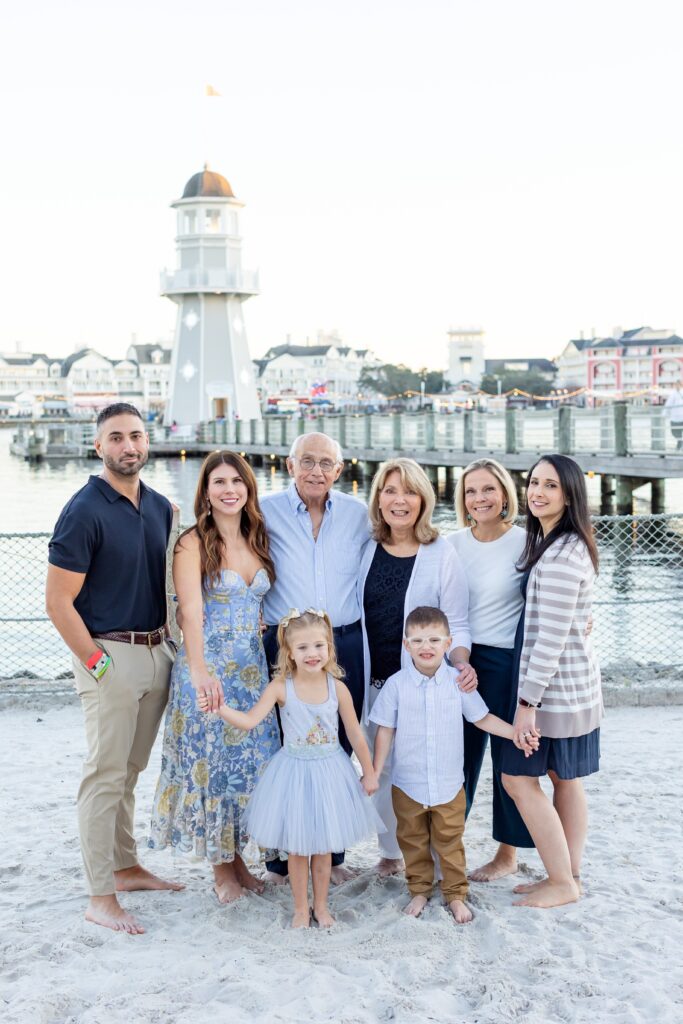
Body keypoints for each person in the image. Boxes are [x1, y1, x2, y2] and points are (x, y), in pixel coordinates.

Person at [46, 402, 182, 935]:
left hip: (156, 652)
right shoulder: (83, 510)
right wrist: (98, 664)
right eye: (117, 438)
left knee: (129, 771)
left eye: (137, 436)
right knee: (104, 776)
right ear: (98, 445)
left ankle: (125, 867)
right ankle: (100, 895)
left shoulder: (159, 506)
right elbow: (58, 602)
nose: (129, 446)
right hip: (108, 655)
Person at [148, 452, 281, 903]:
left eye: (237, 482)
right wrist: (202, 675)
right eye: (219, 482)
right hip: (207, 668)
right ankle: (222, 870)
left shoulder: (257, 537)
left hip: (253, 670)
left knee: (250, 767)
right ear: (206, 491)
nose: (229, 490)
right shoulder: (191, 543)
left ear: (248, 488)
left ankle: (240, 862)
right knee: (213, 768)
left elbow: (259, 605)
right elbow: (190, 612)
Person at [198, 609, 382, 928]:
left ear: (329, 647)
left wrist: (369, 771)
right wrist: (221, 708)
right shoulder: (281, 687)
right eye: (303, 648)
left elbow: (355, 732)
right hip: (294, 773)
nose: (312, 654)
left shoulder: (337, 687)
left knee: (323, 848)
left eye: (319, 646)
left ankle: (321, 907)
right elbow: (251, 720)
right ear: (289, 652)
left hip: (330, 771)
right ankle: (300, 908)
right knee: (297, 849)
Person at [370, 607, 538, 924]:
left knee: (450, 841)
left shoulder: (457, 682)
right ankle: (419, 889)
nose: (426, 646)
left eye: (434, 639)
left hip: (448, 784)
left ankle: (456, 894)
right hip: (408, 783)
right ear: (406, 645)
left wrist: (514, 732)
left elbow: (482, 718)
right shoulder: (396, 685)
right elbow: (385, 729)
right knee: (413, 840)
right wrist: (376, 771)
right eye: (417, 640)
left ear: (448, 643)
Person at [259, 432, 370, 884]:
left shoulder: (359, 515)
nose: (316, 471)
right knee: (281, 747)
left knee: (338, 746)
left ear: (339, 471)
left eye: (326, 463)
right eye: (307, 461)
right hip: (285, 645)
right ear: (289, 465)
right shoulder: (264, 511)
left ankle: (332, 855)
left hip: (343, 642)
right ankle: (280, 862)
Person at [358, 457, 476, 876]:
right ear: (378, 498)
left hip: (425, 683)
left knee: (427, 766)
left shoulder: (439, 552)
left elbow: (457, 622)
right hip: (375, 681)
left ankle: (438, 859)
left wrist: (459, 663)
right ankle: (392, 855)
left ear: (423, 499)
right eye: (390, 490)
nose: (399, 500)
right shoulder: (366, 546)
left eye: (409, 491)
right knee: (383, 768)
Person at [500, 453, 602, 909]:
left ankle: (562, 880)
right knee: (565, 778)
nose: (537, 492)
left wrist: (527, 704)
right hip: (576, 690)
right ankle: (568, 872)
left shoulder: (561, 554)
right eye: (534, 482)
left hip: (554, 695)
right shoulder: (563, 542)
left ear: (570, 495)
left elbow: (551, 641)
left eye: (551, 486)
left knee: (517, 779)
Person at [449, 458, 534, 881]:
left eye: (487, 489)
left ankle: (507, 854)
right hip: (459, 660)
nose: (479, 498)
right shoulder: (451, 544)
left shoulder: (527, 542)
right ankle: (449, 847)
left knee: (509, 759)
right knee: (458, 759)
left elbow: (554, 594)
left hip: (505, 660)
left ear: (504, 494)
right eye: (470, 491)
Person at [664, 385, 683, 450]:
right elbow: (668, 404)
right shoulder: (673, 394)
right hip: (675, 418)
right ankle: (680, 442)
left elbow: (668, 404)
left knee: (676, 432)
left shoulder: (677, 393)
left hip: (679, 417)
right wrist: (664, 413)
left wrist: (664, 413)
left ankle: (680, 444)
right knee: (675, 432)